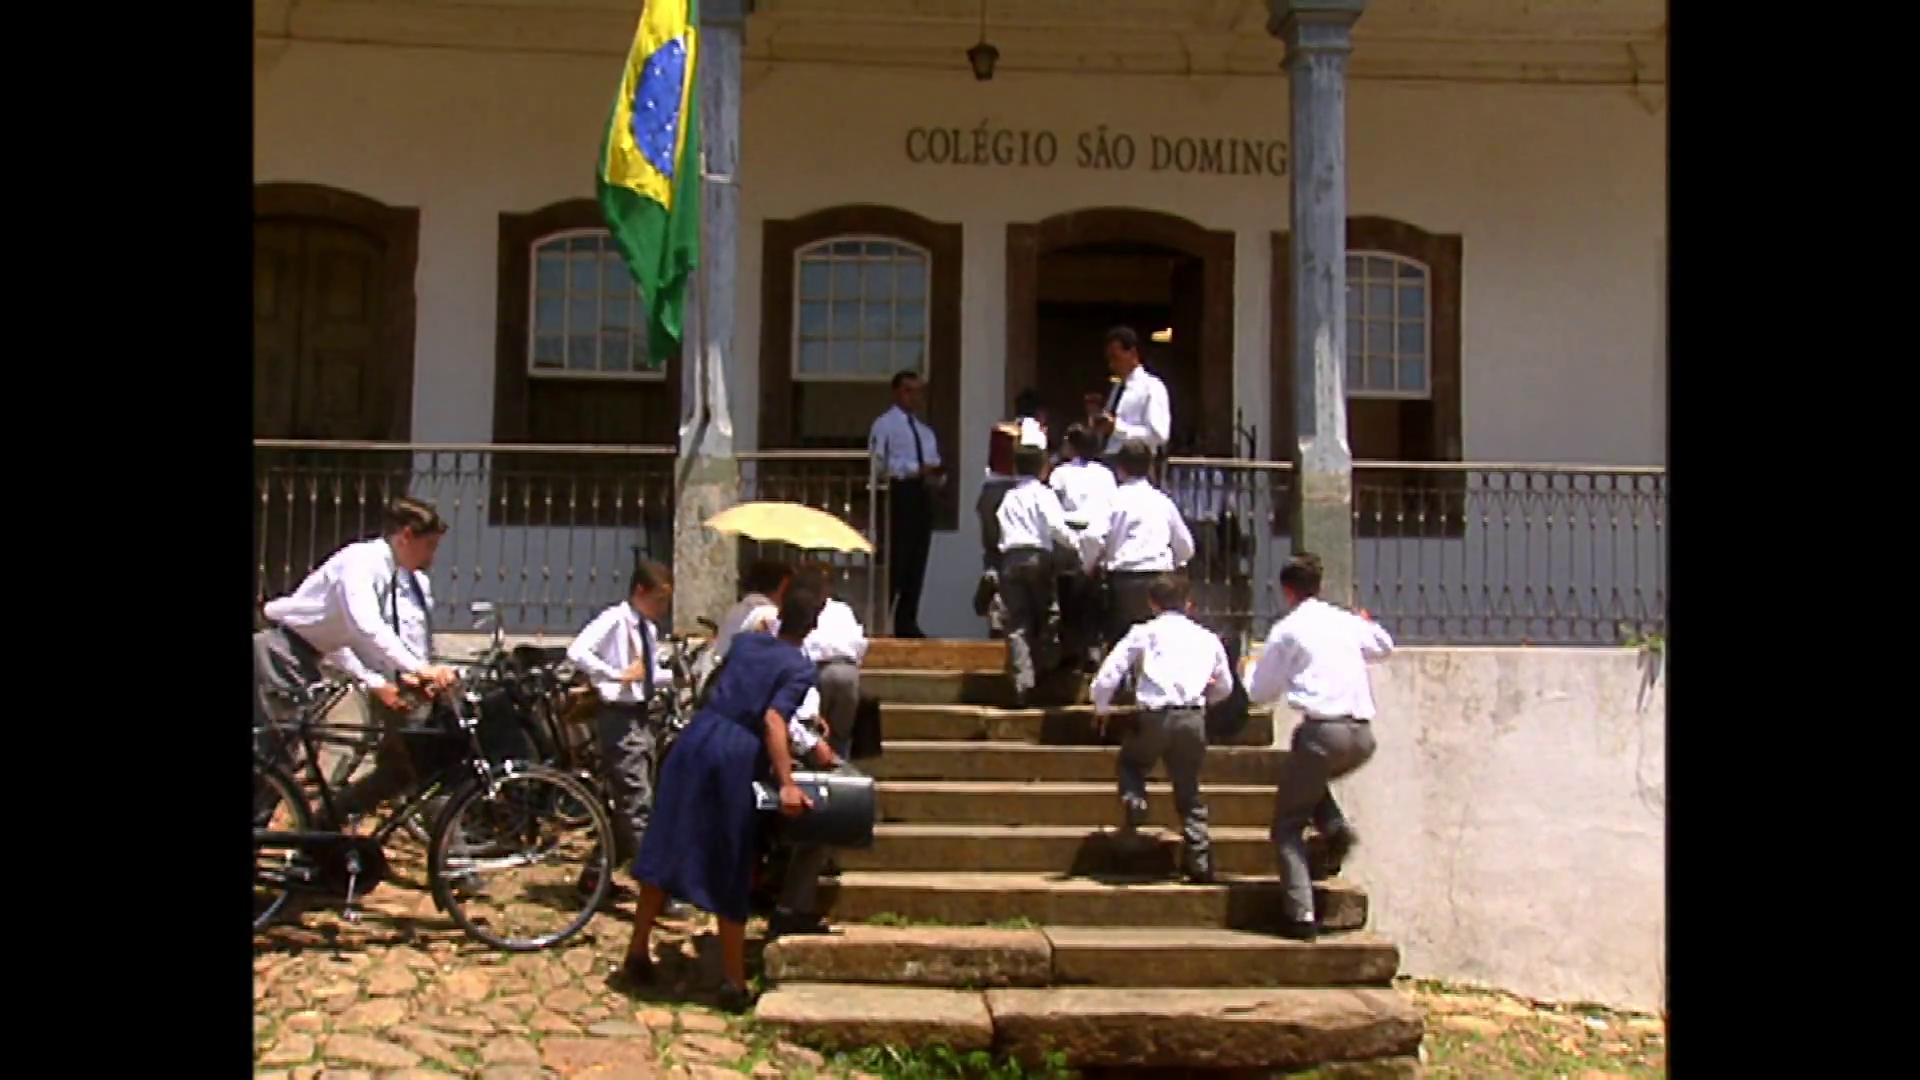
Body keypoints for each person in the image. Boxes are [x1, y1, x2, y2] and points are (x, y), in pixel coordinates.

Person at [622, 588, 824, 1011]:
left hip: (696, 737)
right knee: (732, 859)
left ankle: (637, 950)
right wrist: (787, 783)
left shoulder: (748, 642)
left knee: (668, 842)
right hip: (734, 754)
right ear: (814, 623)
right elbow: (773, 720)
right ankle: (733, 980)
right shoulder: (799, 667)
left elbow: (734, 683)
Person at [255, 497, 460, 825]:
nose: (431, 557)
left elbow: (346, 637)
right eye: (429, 546)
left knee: (281, 759)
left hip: (303, 657)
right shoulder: (363, 562)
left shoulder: (385, 570)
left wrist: (390, 676)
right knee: (274, 760)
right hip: (282, 655)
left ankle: (295, 833)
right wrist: (418, 668)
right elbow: (365, 625)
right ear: (406, 536)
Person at [1244, 553, 1395, 941]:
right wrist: (1366, 622)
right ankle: (1332, 825)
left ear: (1286, 590)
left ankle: (1301, 914)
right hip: (1361, 736)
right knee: (1307, 779)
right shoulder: (1344, 621)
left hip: (1321, 733)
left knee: (1287, 827)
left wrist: (1248, 669)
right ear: (1320, 585)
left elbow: (1260, 692)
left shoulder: (1287, 630)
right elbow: (1383, 646)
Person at [1090, 574, 1235, 883]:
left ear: (1152, 603)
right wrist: (1206, 700)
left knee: (1132, 762)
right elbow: (1225, 685)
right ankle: (1199, 858)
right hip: (1192, 717)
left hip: (1154, 715)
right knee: (1188, 788)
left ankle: (1135, 801)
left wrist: (1101, 706)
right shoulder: (1207, 638)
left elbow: (1109, 673)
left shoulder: (1143, 632)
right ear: (1188, 604)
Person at [766, 563, 869, 937]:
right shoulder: (790, 657)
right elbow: (776, 716)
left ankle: (792, 900)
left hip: (796, 731)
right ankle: (791, 903)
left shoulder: (767, 645)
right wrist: (812, 743)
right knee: (823, 801)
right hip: (792, 739)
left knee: (825, 793)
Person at [566, 562, 673, 872]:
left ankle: (596, 874)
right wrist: (614, 674)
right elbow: (578, 651)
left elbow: (646, 675)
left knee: (633, 799)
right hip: (618, 715)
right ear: (640, 591)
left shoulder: (647, 629)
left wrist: (674, 677)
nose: (663, 608)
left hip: (641, 714)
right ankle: (652, 880)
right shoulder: (615, 619)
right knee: (636, 801)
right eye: (658, 599)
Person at [1082, 439, 1196, 653]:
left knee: (1121, 645)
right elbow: (1186, 547)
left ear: (1120, 468)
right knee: (1156, 645)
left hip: (1123, 581)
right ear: (1150, 467)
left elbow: (1092, 537)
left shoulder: (1112, 499)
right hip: (1158, 579)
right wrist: (1175, 563)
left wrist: (1089, 565)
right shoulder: (1162, 502)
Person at [995, 444, 1079, 704]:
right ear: (1043, 469)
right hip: (1038, 556)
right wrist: (1075, 545)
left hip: (1010, 558)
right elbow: (1055, 527)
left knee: (1017, 622)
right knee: (1047, 615)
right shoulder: (1043, 494)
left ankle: (1022, 682)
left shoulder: (1008, 497)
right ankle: (1046, 669)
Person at [869, 371, 945, 638]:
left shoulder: (925, 432)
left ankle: (907, 621)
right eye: (908, 391)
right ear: (897, 393)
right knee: (896, 558)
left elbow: (934, 462)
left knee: (917, 558)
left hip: (922, 494)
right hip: (898, 493)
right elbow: (878, 463)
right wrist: (913, 469)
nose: (914, 397)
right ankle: (881, 620)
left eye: (918, 392)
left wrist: (936, 477)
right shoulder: (885, 425)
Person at [1049, 424, 1118, 669]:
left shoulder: (1060, 473)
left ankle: (1069, 651)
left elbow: (1053, 505)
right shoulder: (1106, 474)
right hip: (1097, 535)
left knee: (1067, 596)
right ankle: (1092, 649)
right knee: (1093, 596)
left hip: (1069, 536)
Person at [1092, 326, 1172, 480]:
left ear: (1133, 354)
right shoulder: (1116, 389)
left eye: (1116, 358)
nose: (1112, 365)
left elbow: (1159, 435)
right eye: (1109, 359)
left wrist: (1118, 429)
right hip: (1107, 462)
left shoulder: (1152, 387)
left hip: (1136, 465)